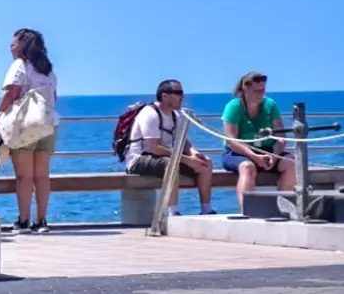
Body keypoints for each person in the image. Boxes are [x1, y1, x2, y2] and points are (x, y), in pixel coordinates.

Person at [0, 28, 59, 234]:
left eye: (13, 44)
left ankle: (23, 220)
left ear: (22, 46)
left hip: (24, 126)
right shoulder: (48, 70)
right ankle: (42, 220)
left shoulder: (19, 66)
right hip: (47, 124)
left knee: (24, 176)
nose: (10, 47)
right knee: (42, 175)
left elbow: (11, 92)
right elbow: (53, 97)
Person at [125, 79, 216, 216]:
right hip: (139, 159)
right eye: (178, 93)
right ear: (164, 96)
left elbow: (183, 142)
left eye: (182, 93)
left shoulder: (175, 116)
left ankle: (206, 209)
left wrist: (194, 154)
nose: (182, 97)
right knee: (171, 164)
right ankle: (172, 212)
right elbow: (153, 148)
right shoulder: (150, 114)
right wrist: (187, 160)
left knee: (206, 162)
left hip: (160, 158)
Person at [221, 71, 295, 211]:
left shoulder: (270, 104)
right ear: (245, 88)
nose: (260, 94)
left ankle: (284, 208)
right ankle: (248, 211)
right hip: (238, 153)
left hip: (268, 151)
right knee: (247, 167)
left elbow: (281, 135)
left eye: (263, 90)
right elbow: (231, 140)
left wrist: (275, 154)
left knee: (291, 164)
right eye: (257, 90)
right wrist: (254, 156)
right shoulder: (234, 106)